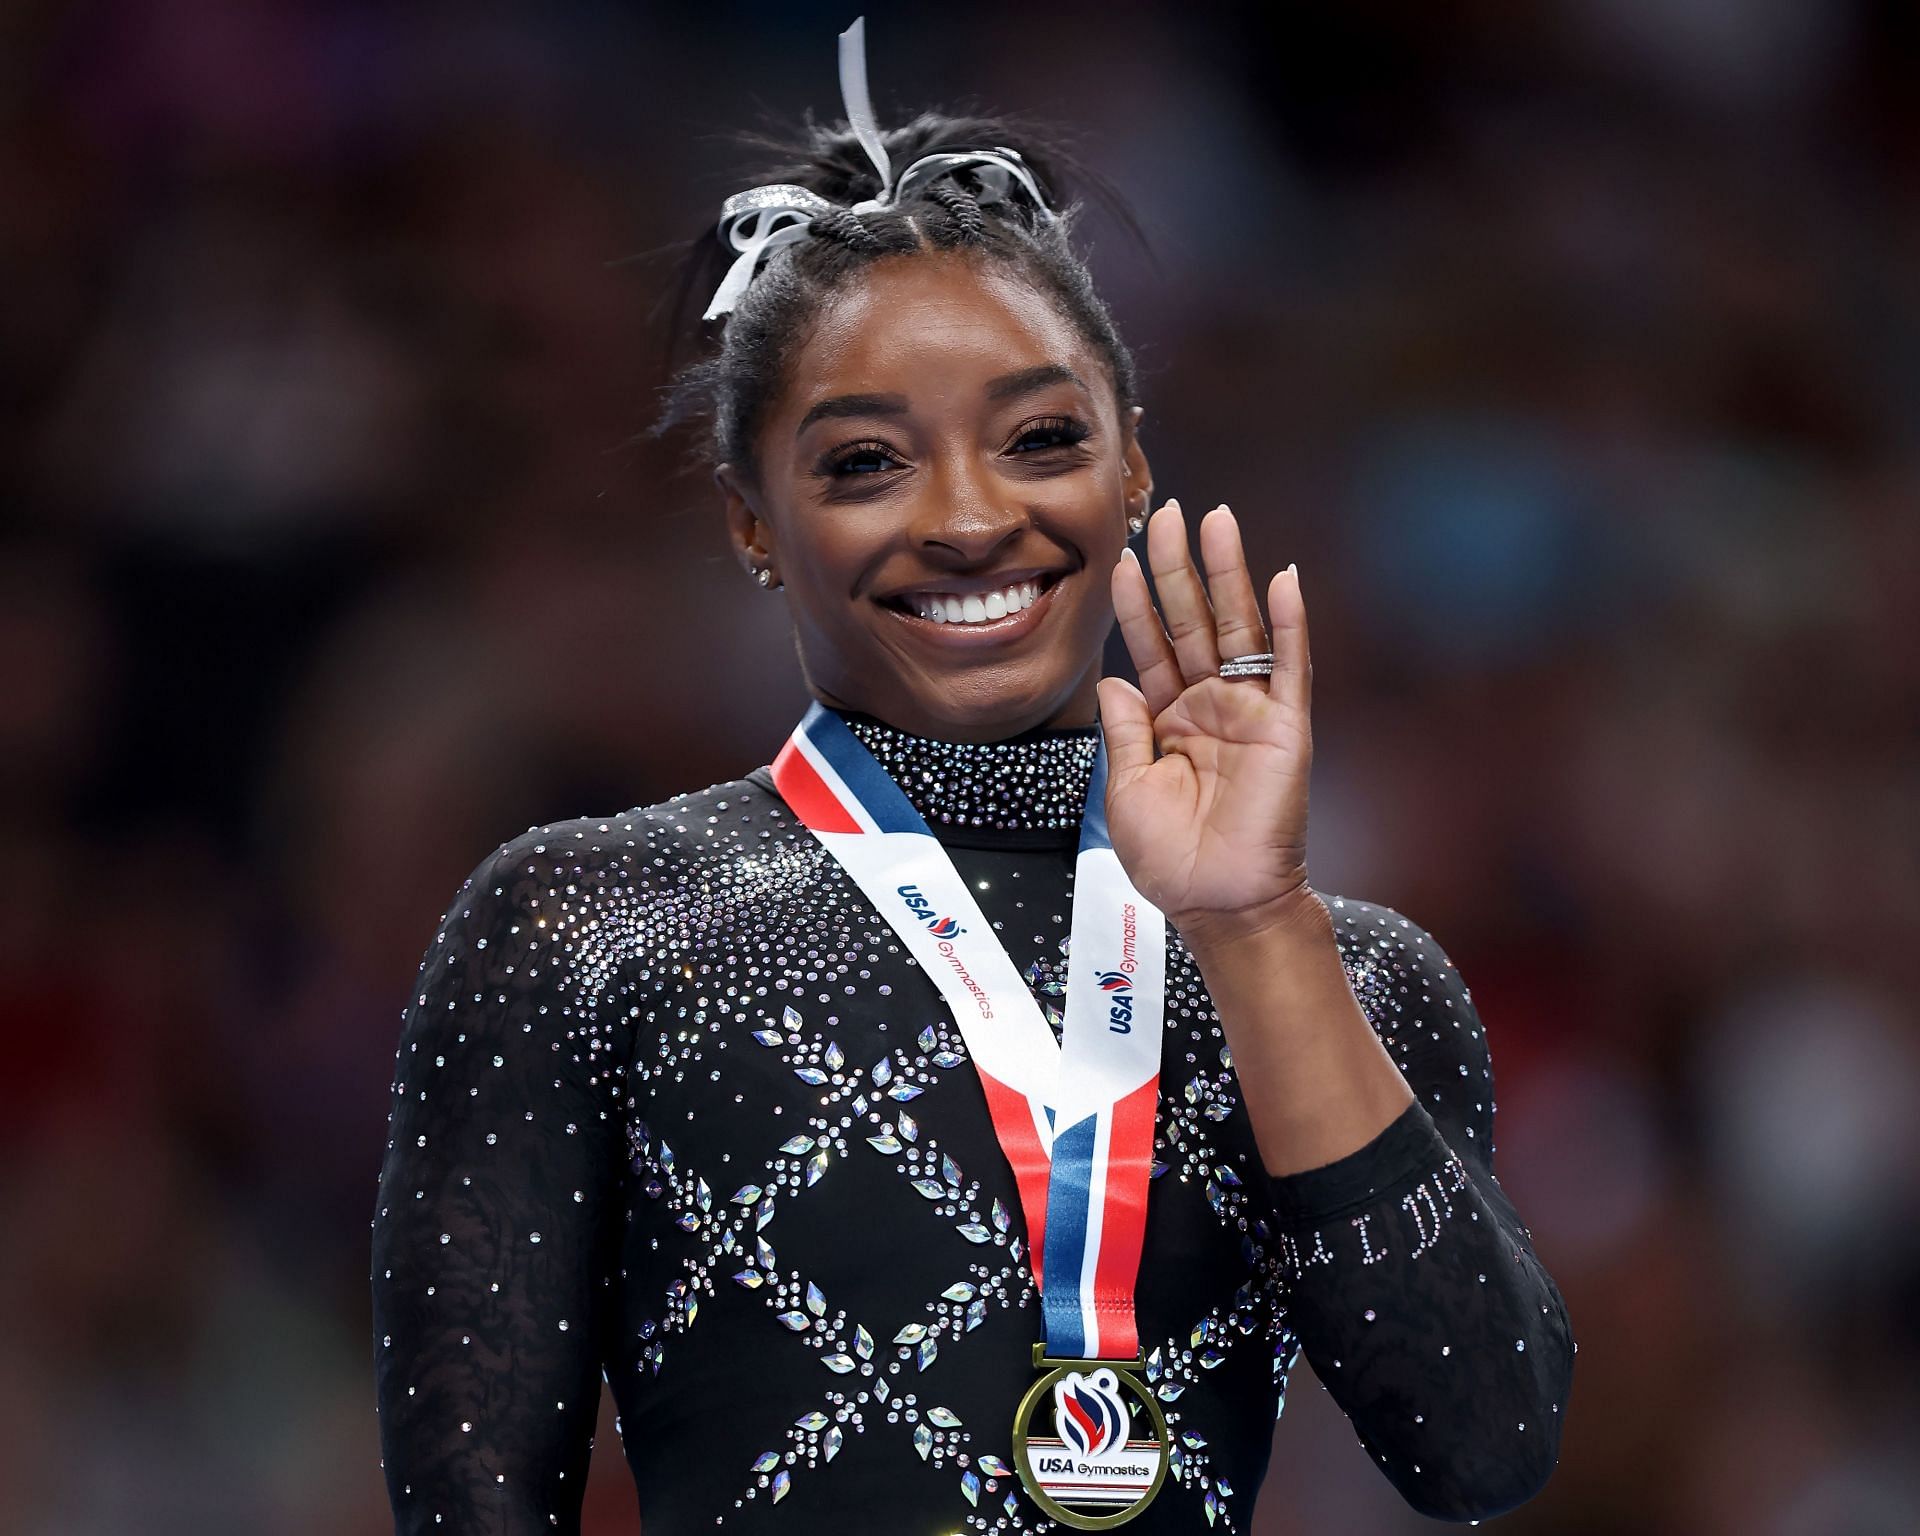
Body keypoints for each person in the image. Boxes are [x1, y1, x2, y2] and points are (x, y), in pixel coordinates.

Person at [371, 20, 1573, 1534]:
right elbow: (471, 1504)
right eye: (866, 461)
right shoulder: (591, 931)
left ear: (1130, 464)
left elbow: (1483, 1445)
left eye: (1040, 438)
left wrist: (1258, 927)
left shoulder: (1355, 982)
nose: (968, 518)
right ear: (752, 520)